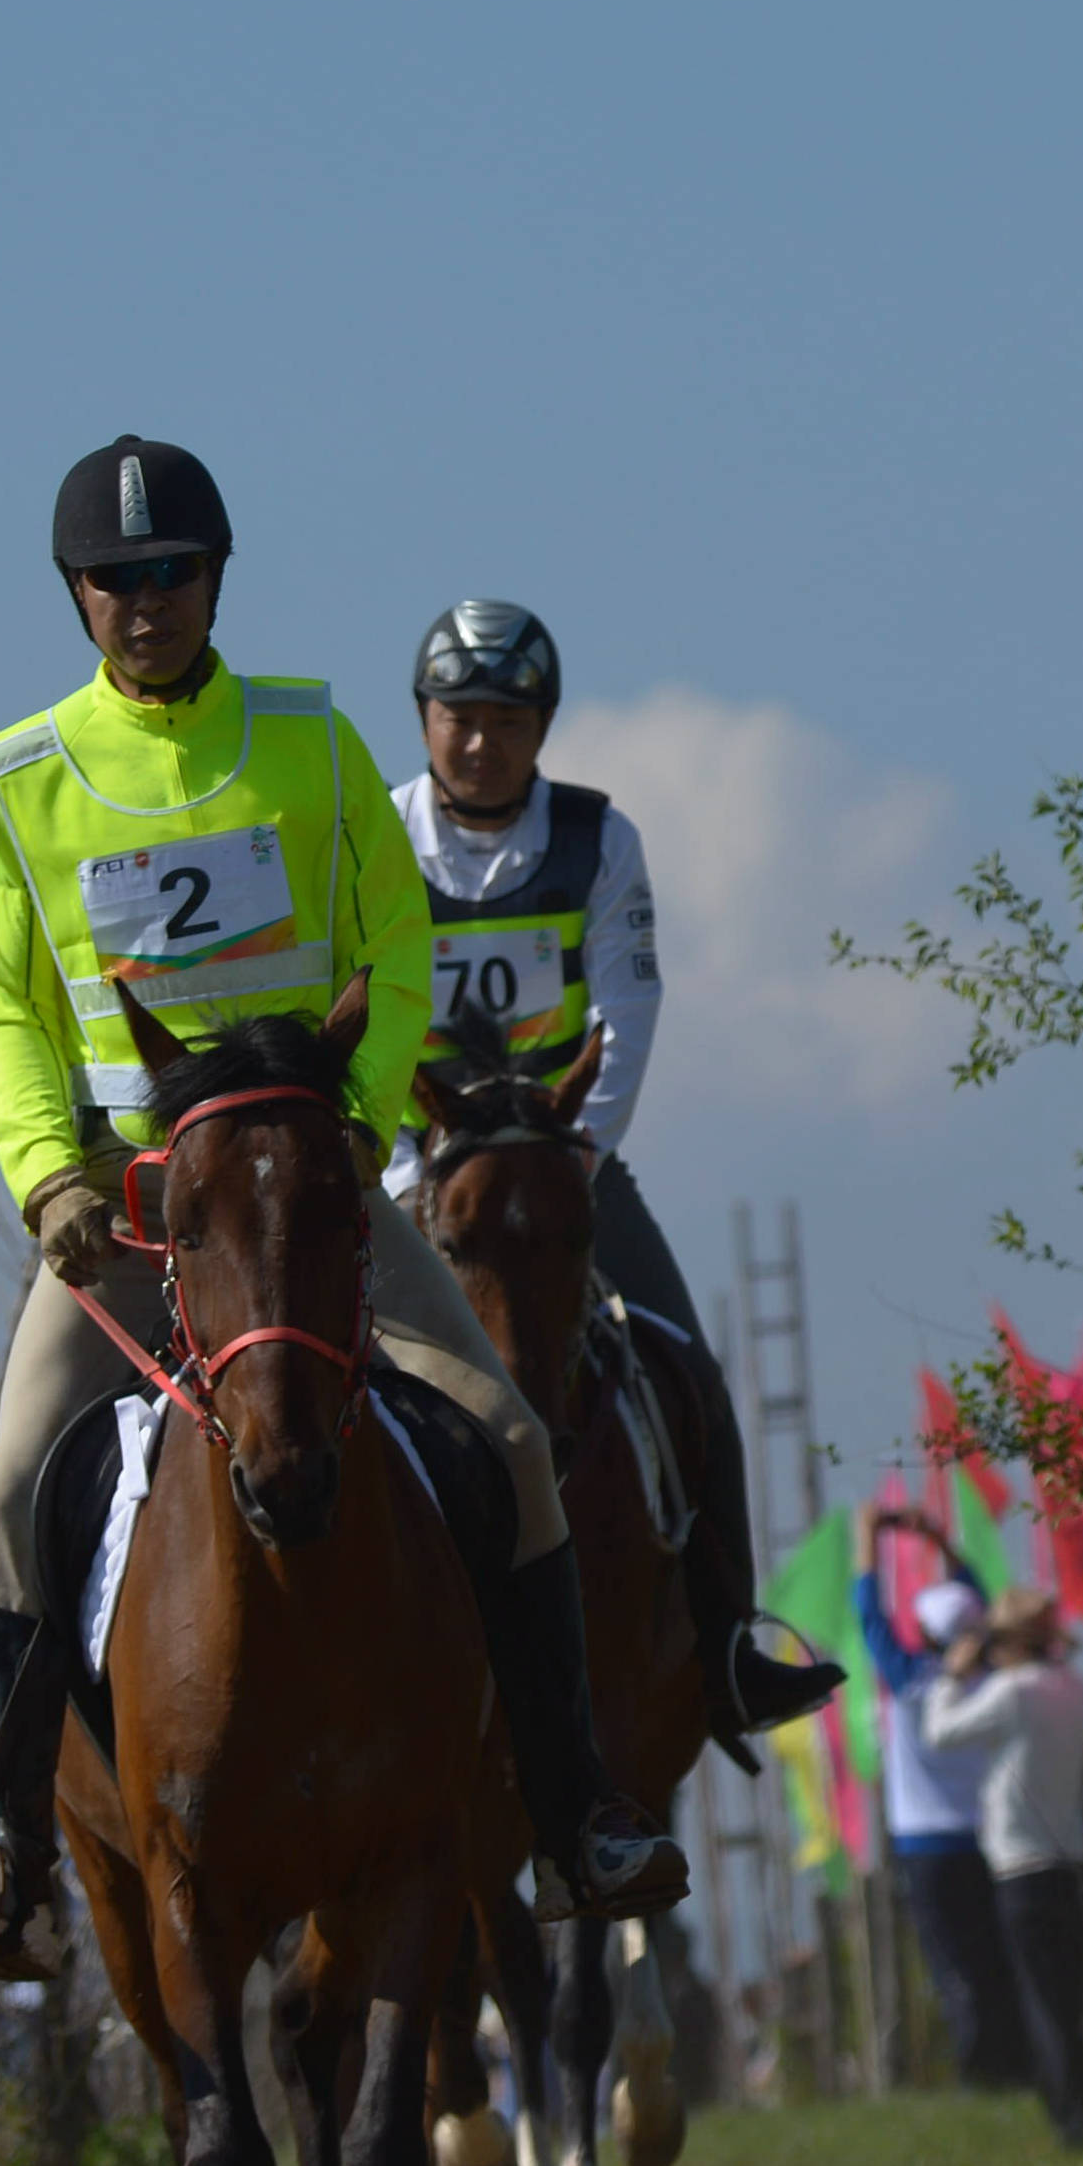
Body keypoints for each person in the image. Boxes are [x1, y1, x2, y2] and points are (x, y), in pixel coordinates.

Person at [0, 438, 686, 1977]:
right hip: (124, 1219)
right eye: (115, 581)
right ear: (76, 595)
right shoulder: (16, 782)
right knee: (5, 1493)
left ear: (215, 581)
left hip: (310, 1198)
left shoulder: (310, 746)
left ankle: (578, 1810)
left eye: (171, 574)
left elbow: (392, 933)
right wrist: (49, 1171)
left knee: (513, 1439)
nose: (144, 603)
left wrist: (359, 1125)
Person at [386, 597, 841, 1750]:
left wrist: (578, 1156)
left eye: (505, 718)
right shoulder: (373, 842)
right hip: (418, 1180)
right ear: (424, 721)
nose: (480, 742)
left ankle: (728, 1644)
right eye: (458, 717)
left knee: (690, 1371)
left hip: (560, 1170)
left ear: (541, 726)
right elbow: (364, 1012)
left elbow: (627, 1009)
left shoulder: (599, 839)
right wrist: (402, 1174)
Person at [925, 1591, 1083, 2146]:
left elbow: (940, 1734)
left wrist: (952, 1677)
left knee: (1041, 2001)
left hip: (1019, 1869)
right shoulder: (1075, 1689)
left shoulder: (1011, 1692)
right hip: (1071, 1861)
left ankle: (1072, 2121)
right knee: (1070, 2000)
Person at [858, 1560, 1019, 2089]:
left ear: (924, 1632)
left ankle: (979, 2072)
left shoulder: (908, 1683)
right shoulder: (990, 1682)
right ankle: (1011, 2064)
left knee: (953, 1965)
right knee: (994, 1956)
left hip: (925, 1847)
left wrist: (869, 1541)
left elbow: (869, 1614)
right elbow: (979, 1598)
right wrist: (938, 1540)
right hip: (985, 1840)